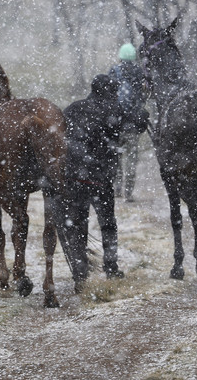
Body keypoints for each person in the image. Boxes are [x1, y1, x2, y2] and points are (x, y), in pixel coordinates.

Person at [61, 74, 129, 280]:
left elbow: (63, 137)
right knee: (107, 223)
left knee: (79, 222)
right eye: (114, 92)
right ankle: (111, 266)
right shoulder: (113, 110)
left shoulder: (73, 109)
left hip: (75, 177)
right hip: (101, 179)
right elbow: (132, 128)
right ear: (110, 92)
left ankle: (80, 269)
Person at [109, 43, 149, 201]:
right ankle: (128, 192)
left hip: (116, 124)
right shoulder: (139, 72)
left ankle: (117, 188)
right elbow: (143, 96)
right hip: (132, 125)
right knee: (131, 160)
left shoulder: (114, 71)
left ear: (120, 56)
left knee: (116, 157)